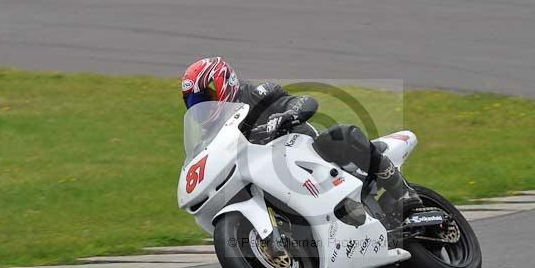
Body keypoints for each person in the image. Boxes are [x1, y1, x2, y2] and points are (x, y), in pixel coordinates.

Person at [181, 56, 422, 219]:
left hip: (310, 153)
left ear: (225, 82)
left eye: (206, 96)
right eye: (194, 102)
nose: (202, 105)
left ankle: (403, 192)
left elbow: (305, 102)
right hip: (271, 176)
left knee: (344, 134)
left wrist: (289, 115)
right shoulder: (212, 136)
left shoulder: (257, 95)